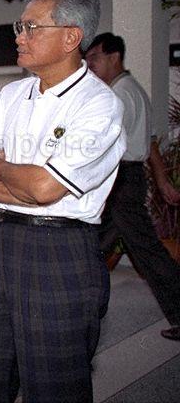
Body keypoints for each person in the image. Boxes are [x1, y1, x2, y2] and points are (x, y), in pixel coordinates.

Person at [0, 0, 126, 402]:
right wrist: (21, 188)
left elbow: (45, 186)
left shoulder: (99, 104)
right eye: (20, 26)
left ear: (71, 36)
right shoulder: (11, 95)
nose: (20, 36)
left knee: (55, 378)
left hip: (59, 251)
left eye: (32, 27)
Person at [85, 32, 180, 341]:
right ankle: (69, 308)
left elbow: (105, 147)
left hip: (121, 180)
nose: (90, 64)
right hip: (129, 178)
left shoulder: (118, 95)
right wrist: (162, 179)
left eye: (95, 57)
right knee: (91, 246)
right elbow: (150, 140)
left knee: (147, 252)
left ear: (115, 57)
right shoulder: (133, 90)